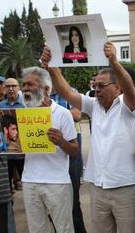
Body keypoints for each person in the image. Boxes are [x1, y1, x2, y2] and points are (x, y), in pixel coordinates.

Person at [42, 41, 135, 233]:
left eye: (102, 85)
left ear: (117, 88)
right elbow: (67, 93)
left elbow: (130, 88)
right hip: (97, 187)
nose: (96, 89)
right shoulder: (93, 105)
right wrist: (51, 67)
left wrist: (114, 61)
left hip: (126, 188)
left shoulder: (129, 106)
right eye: (95, 85)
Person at [0, 67, 79, 233]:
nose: (25, 88)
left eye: (30, 84)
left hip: (57, 183)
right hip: (30, 181)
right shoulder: (21, 115)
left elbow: (74, 150)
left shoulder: (62, 114)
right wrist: (0, 143)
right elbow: (18, 150)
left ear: (46, 89)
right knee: (36, 229)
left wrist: (61, 141)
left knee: (64, 228)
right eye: (23, 84)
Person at [50, 87, 87, 233]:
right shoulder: (36, 96)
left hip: (70, 140)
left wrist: (52, 113)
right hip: (46, 145)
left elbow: (77, 115)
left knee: (72, 198)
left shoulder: (70, 91)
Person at [0, 78, 25, 194]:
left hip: (23, 153)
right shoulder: (0, 106)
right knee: (6, 186)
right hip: (6, 155)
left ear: (19, 88)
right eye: (8, 86)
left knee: (28, 184)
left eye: (14, 85)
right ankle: (9, 209)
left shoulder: (26, 104)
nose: (11, 89)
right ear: (4, 89)